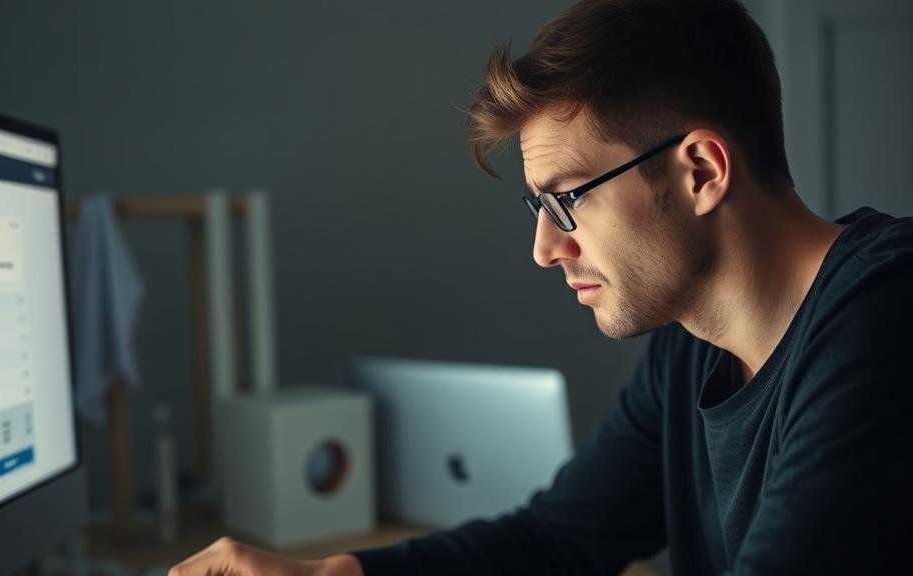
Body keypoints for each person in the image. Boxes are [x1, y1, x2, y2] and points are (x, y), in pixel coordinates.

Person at [170, 0, 913, 574]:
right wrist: (334, 572)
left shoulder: (885, 320)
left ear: (701, 172)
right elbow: (558, 540)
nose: (545, 249)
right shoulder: (691, 347)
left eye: (568, 199)